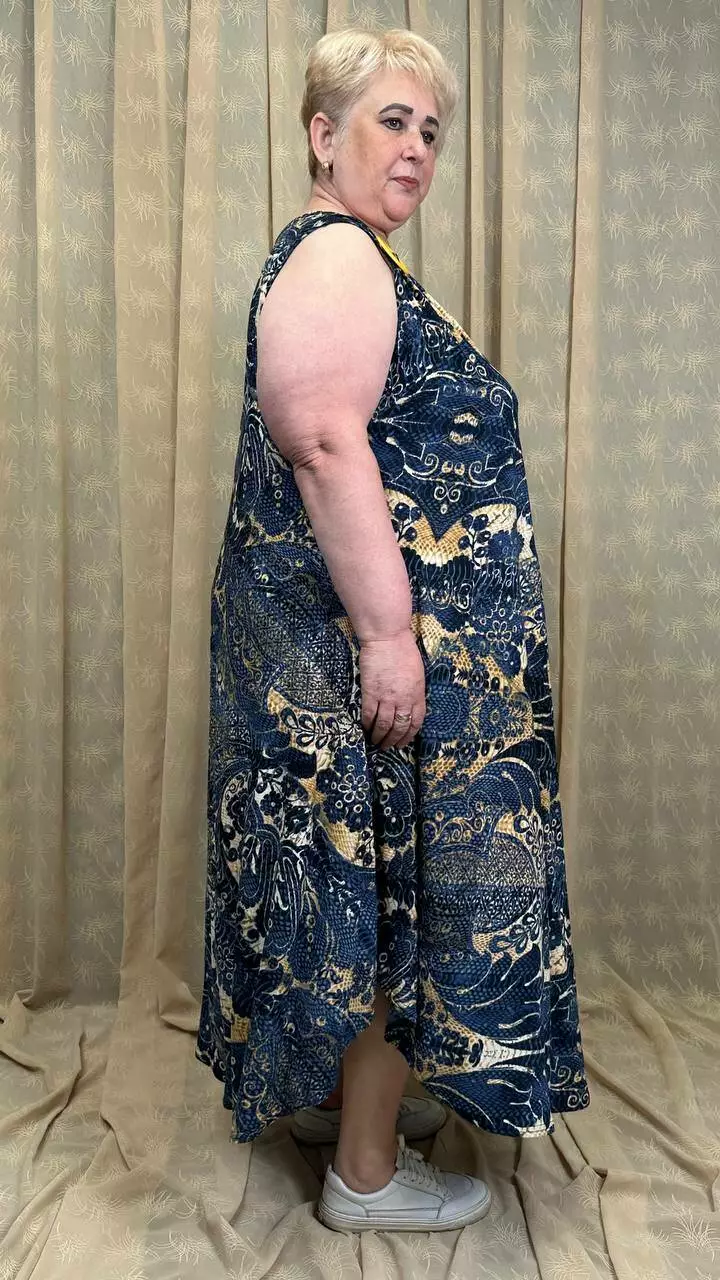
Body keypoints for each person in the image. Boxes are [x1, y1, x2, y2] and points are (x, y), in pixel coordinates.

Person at [196, 26, 590, 1233]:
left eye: (430, 129)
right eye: (391, 121)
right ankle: (366, 1175)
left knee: (365, 891)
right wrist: (386, 637)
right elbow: (322, 440)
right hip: (354, 655)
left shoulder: (349, 256)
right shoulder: (335, 257)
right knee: (385, 897)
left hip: (350, 651)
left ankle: (347, 1113)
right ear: (324, 136)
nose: (417, 147)